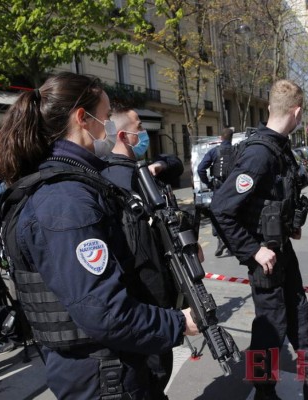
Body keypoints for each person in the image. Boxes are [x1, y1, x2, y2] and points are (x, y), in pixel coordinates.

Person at [0, 72, 198, 400]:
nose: (109, 129)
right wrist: (177, 323)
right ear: (81, 119)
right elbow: (105, 311)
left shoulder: (78, 183)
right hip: (103, 377)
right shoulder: (66, 200)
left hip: (111, 368)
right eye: (104, 118)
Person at [210, 79, 308, 400]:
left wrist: (290, 224)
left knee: (298, 311)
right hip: (266, 257)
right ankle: (263, 391)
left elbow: (276, 198)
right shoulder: (260, 153)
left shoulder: (279, 147)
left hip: (281, 249)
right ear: (297, 112)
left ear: (271, 107)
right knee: (269, 328)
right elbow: (222, 207)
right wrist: (253, 251)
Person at [101, 105, 187, 399]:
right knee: (153, 378)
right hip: (148, 305)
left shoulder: (140, 172)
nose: (146, 134)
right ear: (124, 136)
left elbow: (175, 164)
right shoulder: (119, 182)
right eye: (140, 128)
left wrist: (159, 167)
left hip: (147, 309)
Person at [197, 127, 234, 257]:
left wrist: (207, 182)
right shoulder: (236, 151)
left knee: (216, 214)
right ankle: (231, 242)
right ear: (231, 138)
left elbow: (200, 169)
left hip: (218, 188)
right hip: (233, 188)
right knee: (233, 214)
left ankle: (220, 240)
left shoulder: (214, 151)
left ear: (221, 138)